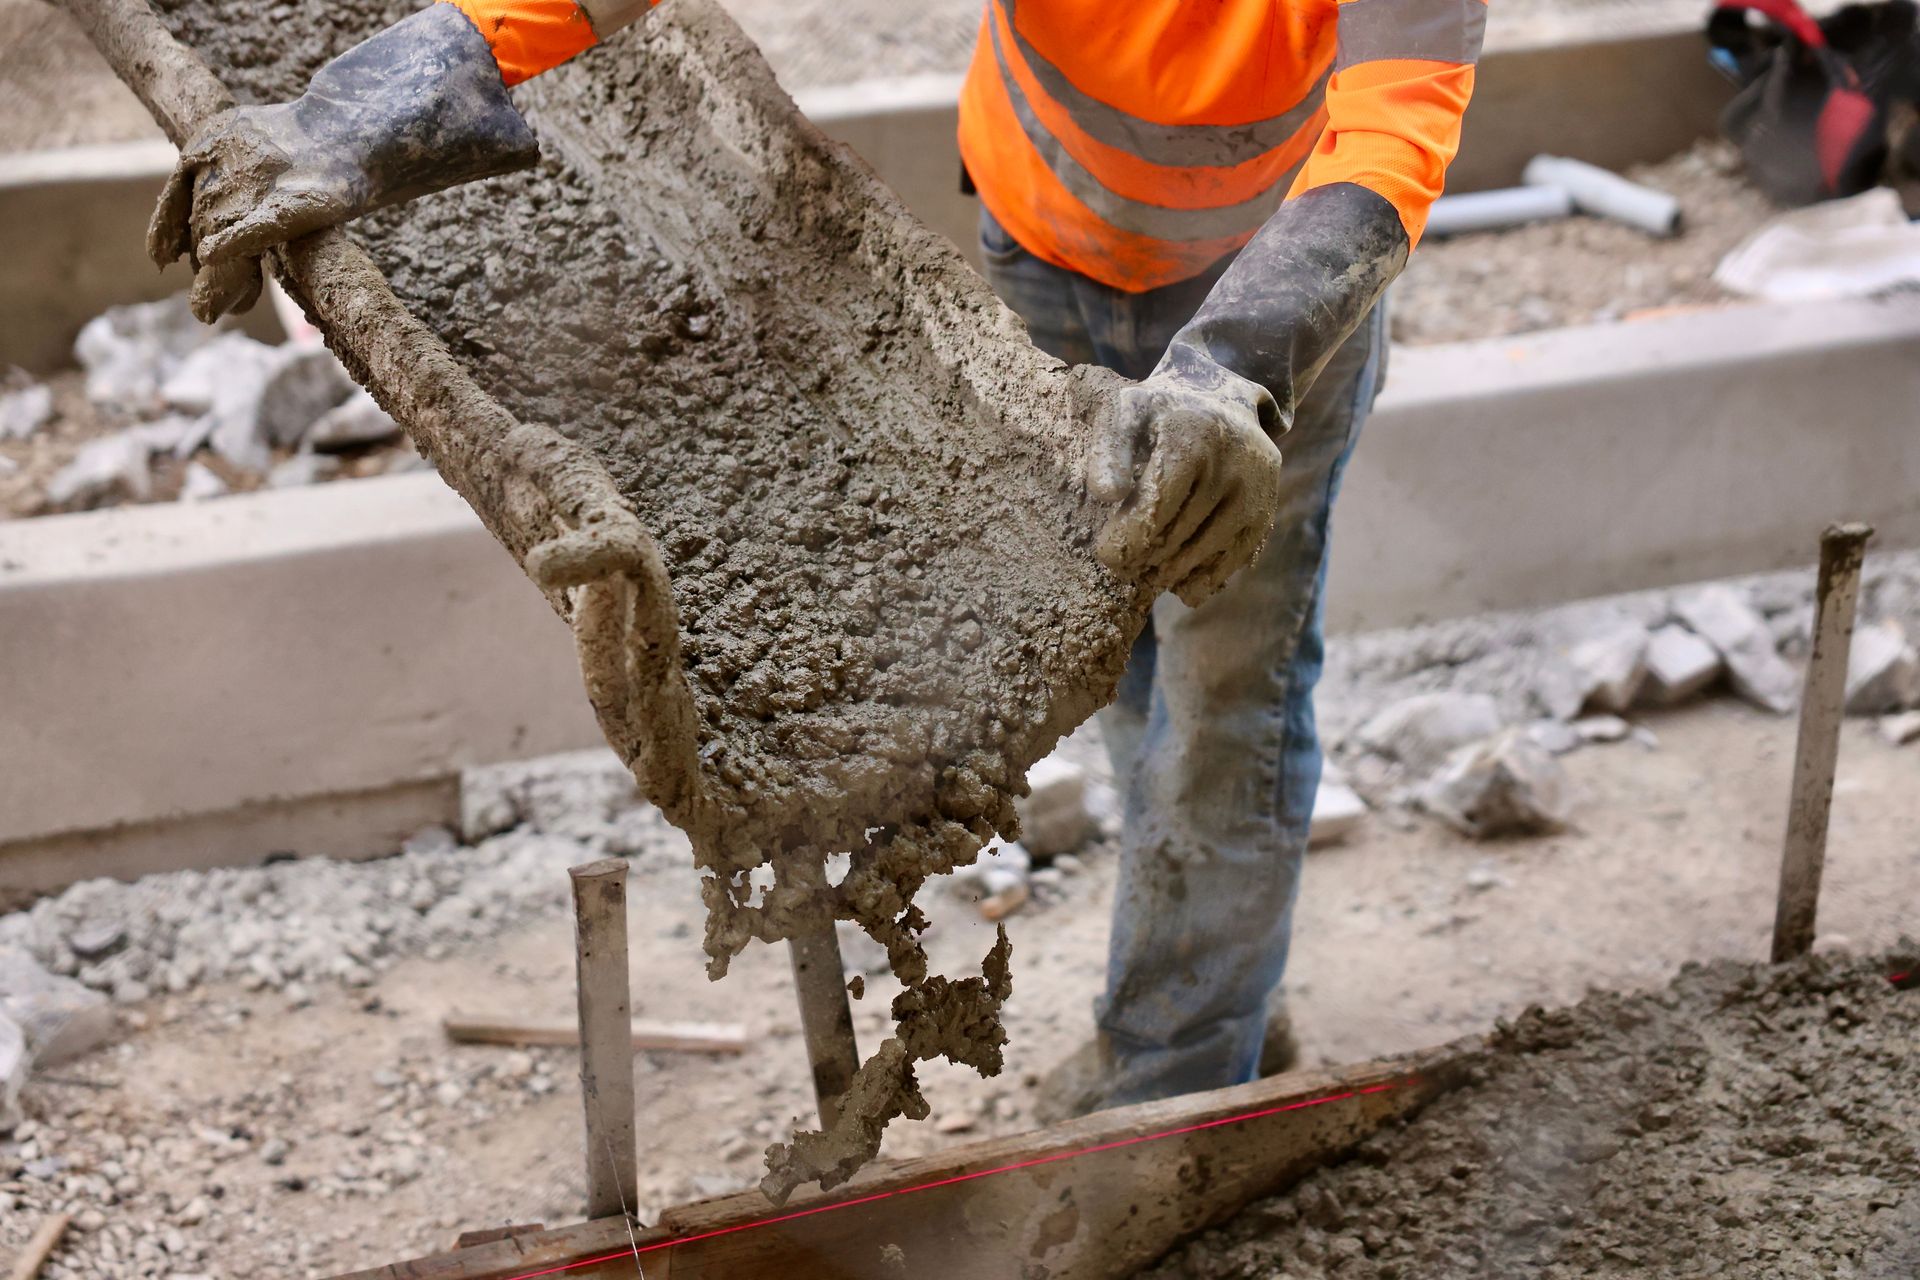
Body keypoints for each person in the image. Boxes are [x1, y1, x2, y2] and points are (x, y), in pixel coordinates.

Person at [152, 0, 1480, 1116]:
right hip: (1047, 234)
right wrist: (447, 58)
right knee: (1126, 653)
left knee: (1225, 701)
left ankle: (1177, 1088)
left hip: (1266, 310)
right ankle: (1224, 999)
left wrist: (1238, 367)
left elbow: (1394, 126)